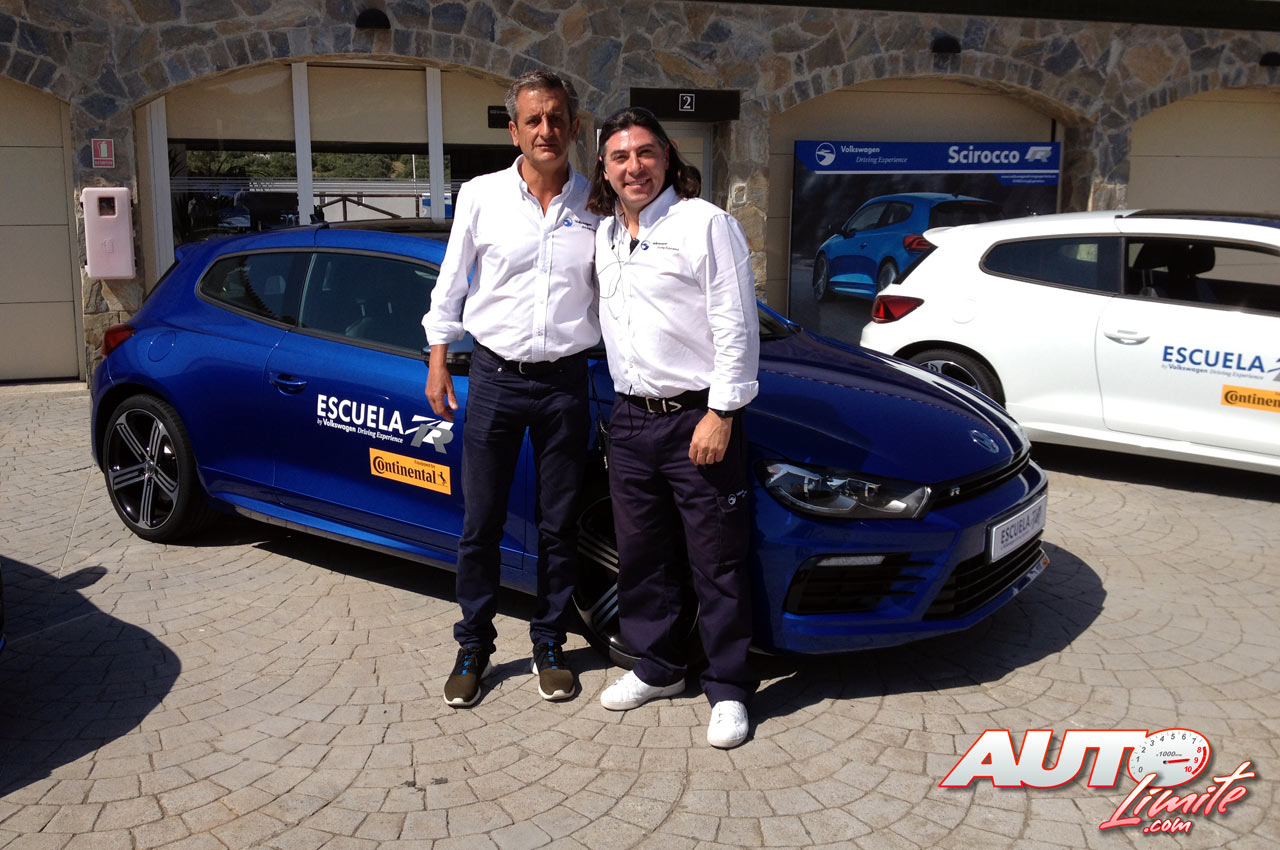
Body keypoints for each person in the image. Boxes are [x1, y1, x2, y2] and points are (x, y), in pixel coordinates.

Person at [422, 69, 599, 708]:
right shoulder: (481, 196)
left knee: (558, 524)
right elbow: (451, 282)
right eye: (533, 120)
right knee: (481, 522)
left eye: (556, 118)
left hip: (565, 384)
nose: (545, 130)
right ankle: (474, 645)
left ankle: (549, 642)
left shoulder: (598, 203)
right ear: (514, 131)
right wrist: (438, 359)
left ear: (573, 127)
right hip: (495, 378)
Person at [587, 108, 760, 749]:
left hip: (697, 419)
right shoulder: (605, 233)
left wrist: (722, 412)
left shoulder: (704, 223)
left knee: (717, 560)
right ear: (604, 168)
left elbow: (736, 322)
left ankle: (729, 687)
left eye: (645, 153)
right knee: (643, 556)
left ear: (667, 156)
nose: (634, 166)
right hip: (630, 418)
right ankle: (659, 668)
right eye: (620, 156)